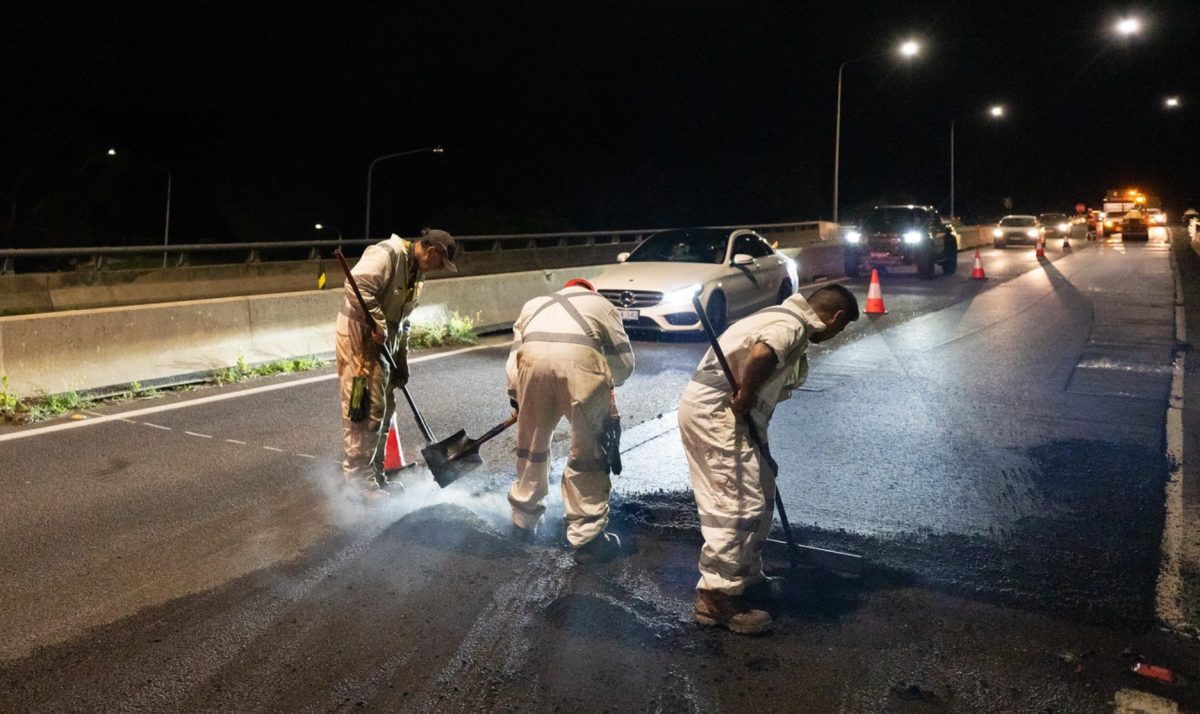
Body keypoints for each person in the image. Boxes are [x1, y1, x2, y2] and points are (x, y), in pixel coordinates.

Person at [678, 285, 859, 634]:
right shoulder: (790, 325)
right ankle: (716, 596)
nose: (836, 335)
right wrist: (744, 394)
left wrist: (760, 444)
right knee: (737, 502)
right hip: (717, 413)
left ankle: (745, 578)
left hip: (730, 418)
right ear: (836, 318)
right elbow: (763, 354)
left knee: (762, 486)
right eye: (841, 329)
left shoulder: (786, 319)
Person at [505, 278, 635, 561]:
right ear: (590, 291)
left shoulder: (534, 304)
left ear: (565, 288)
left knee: (531, 446)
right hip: (579, 365)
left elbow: (515, 357)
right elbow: (624, 362)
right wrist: (609, 381)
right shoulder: (601, 305)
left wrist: (518, 397)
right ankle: (586, 537)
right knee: (586, 451)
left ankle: (523, 523)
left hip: (532, 364)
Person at [336, 228, 458, 504]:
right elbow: (357, 285)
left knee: (385, 410)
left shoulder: (417, 274)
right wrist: (378, 322)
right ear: (431, 251)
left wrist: (402, 359)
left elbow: (402, 322)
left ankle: (375, 476)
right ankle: (357, 485)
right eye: (440, 262)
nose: (439, 269)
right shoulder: (386, 254)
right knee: (363, 411)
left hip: (384, 344)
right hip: (360, 344)